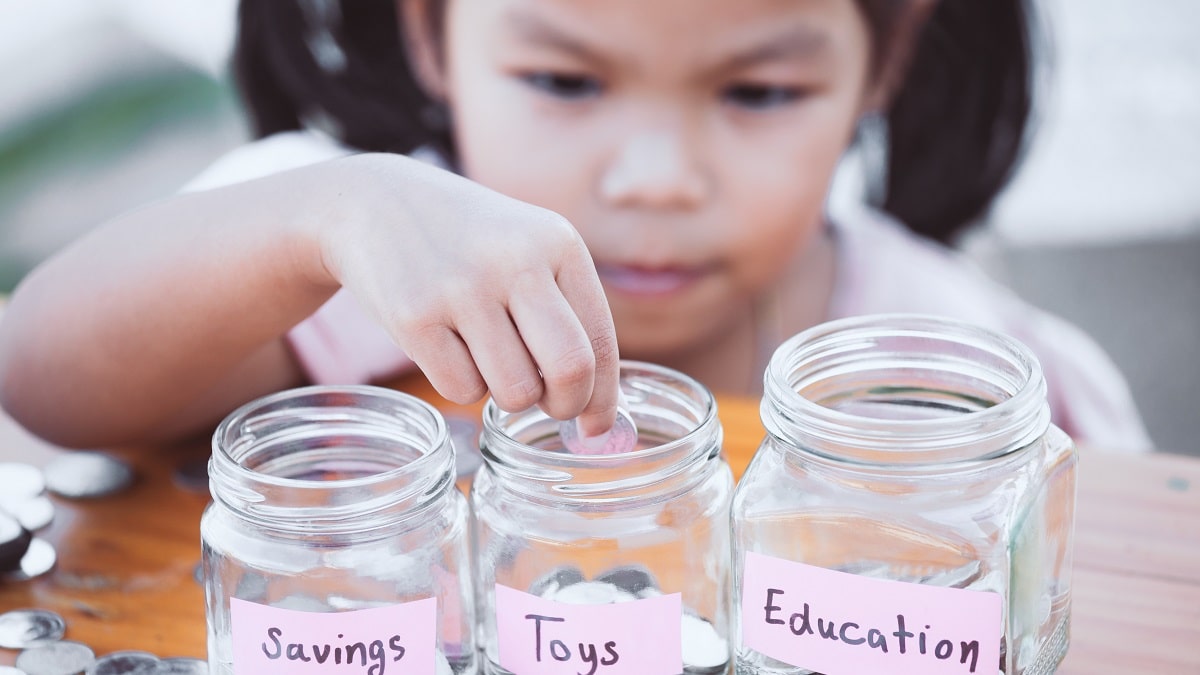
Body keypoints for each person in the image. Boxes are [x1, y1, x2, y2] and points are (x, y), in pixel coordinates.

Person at [0, 0, 1152, 452]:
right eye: (563, 80)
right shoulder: (336, 257)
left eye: (756, 93)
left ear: (880, 66)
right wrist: (323, 214)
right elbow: (39, 375)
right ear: (431, 38)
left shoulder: (948, 364)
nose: (655, 179)